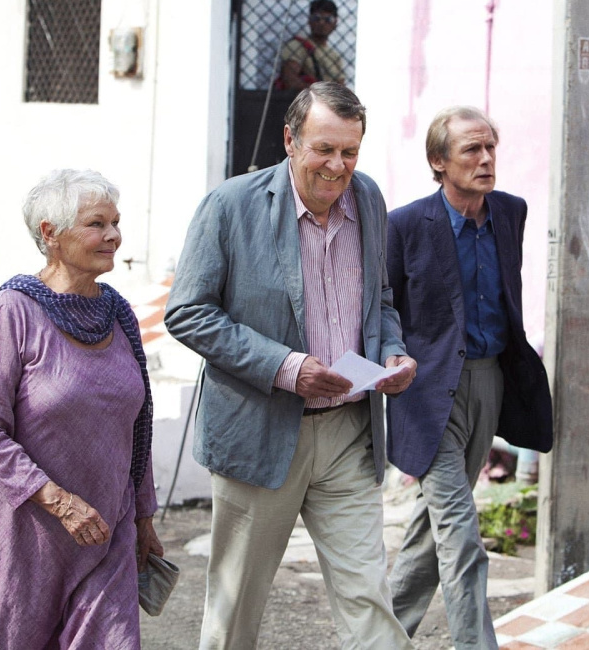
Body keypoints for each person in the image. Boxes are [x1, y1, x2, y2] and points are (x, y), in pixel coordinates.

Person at [165, 81, 417, 650]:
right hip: (260, 432)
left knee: (369, 600)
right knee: (235, 608)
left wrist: (390, 353)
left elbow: (379, 301)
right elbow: (187, 313)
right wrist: (287, 366)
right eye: (323, 149)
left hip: (349, 433)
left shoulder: (369, 199)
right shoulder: (231, 205)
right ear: (289, 140)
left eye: (349, 152)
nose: (337, 166)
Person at [0, 169, 165, 649]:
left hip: (106, 528)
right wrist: (58, 501)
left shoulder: (117, 313)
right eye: (97, 224)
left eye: (116, 222)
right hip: (26, 528)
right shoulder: (11, 312)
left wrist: (142, 518)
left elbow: (137, 426)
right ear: (50, 234)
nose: (114, 235)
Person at [385, 106, 554, 649]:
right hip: (427, 392)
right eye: (470, 151)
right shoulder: (406, 225)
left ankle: (378, 639)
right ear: (439, 162)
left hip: (489, 383)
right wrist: (390, 361)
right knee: (460, 535)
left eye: (490, 149)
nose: (485, 160)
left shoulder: (510, 212)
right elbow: (384, 305)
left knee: (425, 534)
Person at [277, 0, 346, 91]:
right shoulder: (297, 46)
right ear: (309, 20)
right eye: (316, 18)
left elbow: (341, 87)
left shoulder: (335, 57)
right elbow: (290, 81)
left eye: (328, 19)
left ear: (335, 23)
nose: (321, 23)